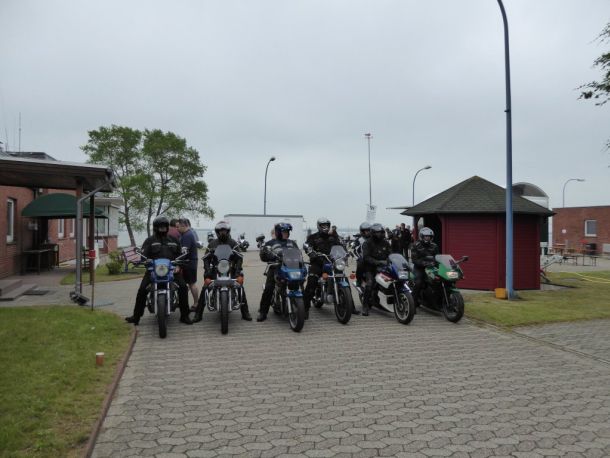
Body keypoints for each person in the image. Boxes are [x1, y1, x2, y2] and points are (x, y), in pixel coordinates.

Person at [125, 215, 192, 325]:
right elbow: (143, 256)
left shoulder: (174, 240)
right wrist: (145, 262)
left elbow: (180, 255)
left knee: (183, 287)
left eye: (164, 226)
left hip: (171, 270)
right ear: (156, 227)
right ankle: (136, 316)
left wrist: (178, 266)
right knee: (142, 290)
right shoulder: (150, 241)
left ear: (167, 227)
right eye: (160, 226)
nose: (163, 228)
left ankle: (184, 316)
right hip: (153, 270)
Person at [193, 220, 252, 322]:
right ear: (217, 232)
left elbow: (239, 258)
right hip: (216, 269)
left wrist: (237, 271)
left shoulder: (233, 243)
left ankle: (245, 312)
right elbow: (206, 259)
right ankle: (198, 314)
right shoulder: (212, 243)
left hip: (230, 269)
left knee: (239, 286)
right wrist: (207, 271)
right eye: (220, 231)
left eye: (224, 231)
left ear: (228, 231)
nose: (222, 233)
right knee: (206, 287)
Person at [257, 222, 299, 322]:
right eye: (284, 232)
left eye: (287, 232)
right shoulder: (270, 243)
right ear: (278, 232)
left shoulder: (292, 243)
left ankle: (302, 309)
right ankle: (263, 312)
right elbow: (263, 257)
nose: (286, 233)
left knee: (298, 284)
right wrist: (266, 254)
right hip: (275, 268)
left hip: (290, 268)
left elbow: (298, 254)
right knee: (269, 288)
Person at [303, 217, 342, 318]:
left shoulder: (333, 237)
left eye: (327, 225)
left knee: (342, 278)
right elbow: (307, 245)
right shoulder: (313, 237)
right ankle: (305, 308)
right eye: (323, 225)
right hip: (317, 263)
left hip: (331, 263)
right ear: (319, 226)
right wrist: (311, 252)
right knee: (311, 282)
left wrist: (344, 252)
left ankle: (351, 307)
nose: (325, 227)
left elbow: (340, 246)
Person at [361, 223, 391, 316]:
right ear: (373, 233)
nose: (379, 234)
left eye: (380, 232)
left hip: (384, 267)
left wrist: (392, 259)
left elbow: (391, 253)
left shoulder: (386, 243)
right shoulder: (367, 243)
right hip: (370, 268)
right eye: (377, 232)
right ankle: (365, 306)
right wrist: (377, 262)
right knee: (370, 284)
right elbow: (366, 257)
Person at [410, 227, 440, 305]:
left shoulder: (434, 246)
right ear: (422, 236)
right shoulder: (416, 245)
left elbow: (438, 257)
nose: (428, 238)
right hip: (419, 268)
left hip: (432, 268)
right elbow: (414, 259)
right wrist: (424, 263)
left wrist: (440, 264)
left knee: (440, 280)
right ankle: (413, 302)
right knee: (418, 282)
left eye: (429, 236)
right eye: (426, 236)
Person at [177, 218, 199, 311]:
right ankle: (182, 301)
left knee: (191, 284)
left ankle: (196, 304)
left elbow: (184, 252)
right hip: (189, 262)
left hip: (189, 263)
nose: (177, 229)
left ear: (183, 226)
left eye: (178, 227)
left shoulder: (187, 235)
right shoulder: (188, 234)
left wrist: (178, 263)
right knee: (187, 284)